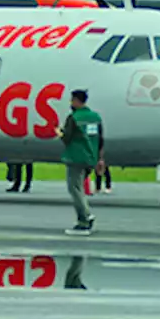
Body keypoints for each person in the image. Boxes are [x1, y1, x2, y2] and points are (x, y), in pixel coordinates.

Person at [58, 88, 102, 235]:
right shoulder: (95, 117)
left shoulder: (74, 118)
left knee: (74, 189)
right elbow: (100, 139)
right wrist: (100, 159)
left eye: (72, 100)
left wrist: (60, 133)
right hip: (90, 157)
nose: (70, 103)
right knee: (80, 188)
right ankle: (86, 215)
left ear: (77, 101)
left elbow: (67, 138)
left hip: (76, 156)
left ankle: (84, 218)